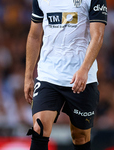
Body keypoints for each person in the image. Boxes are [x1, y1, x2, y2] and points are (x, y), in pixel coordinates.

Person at [24, 0, 107, 149]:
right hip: (48, 75)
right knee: (39, 128)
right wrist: (28, 76)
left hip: (81, 77)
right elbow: (34, 36)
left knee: (80, 137)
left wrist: (84, 69)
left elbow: (98, 36)